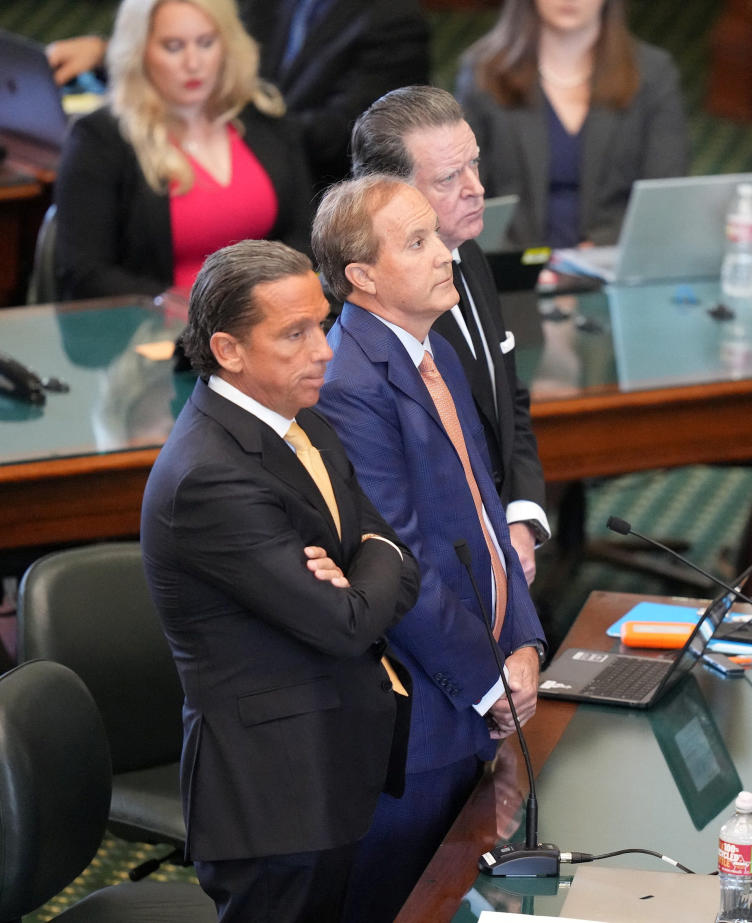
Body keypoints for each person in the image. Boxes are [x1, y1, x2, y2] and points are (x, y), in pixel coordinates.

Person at [140, 238, 420, 922]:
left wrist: (362, 566)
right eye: (294, 334)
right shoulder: (209, 476)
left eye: (321, 325)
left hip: (330, 764)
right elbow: (346, 622)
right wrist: (364, 571)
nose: (324, 349)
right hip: (274, 800)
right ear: (230, 350)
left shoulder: (304, 423)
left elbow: (399, 553)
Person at [311, 175, 546, 922]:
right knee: (406, 902)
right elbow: (399, 558)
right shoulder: (350, 381)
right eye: (417, 242)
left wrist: (527, 639)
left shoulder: (428, 346)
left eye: (435, 235)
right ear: (363, 276)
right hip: (422, 715)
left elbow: (485, 512)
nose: (447, 252)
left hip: (479, 693)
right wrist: (489, 678)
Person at [350, 85, 549, 583]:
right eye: (448, 178)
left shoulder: (470, 255)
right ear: (388, 195)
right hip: (438, 575)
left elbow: (509, 401)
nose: (476, 188)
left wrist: (521, 517)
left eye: (474, 165)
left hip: (502, 553)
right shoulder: (377, 308)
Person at [52, 0, 314, 301]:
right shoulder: (99, 138)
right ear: (139, 52)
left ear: (227, 45)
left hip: (264, 323)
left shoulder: (265, 119)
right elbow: (84, 272)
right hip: (151, 330)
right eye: (173, 47)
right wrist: (193, 310)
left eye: (206, 43)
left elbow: (303, 238)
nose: (193, 63)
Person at [46, 0, 430, 188]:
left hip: (315, 196)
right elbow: (213, 64)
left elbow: (344, 134)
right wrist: (111, 55)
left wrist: (226, 130)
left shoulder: (394, 21)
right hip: (225, 161)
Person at [455, 0, 689, 248]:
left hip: (614, 262)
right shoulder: (485, 71)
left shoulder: (653, 74)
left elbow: (664, 193)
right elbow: (464, 192)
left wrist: (597, 253)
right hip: (512, 264)